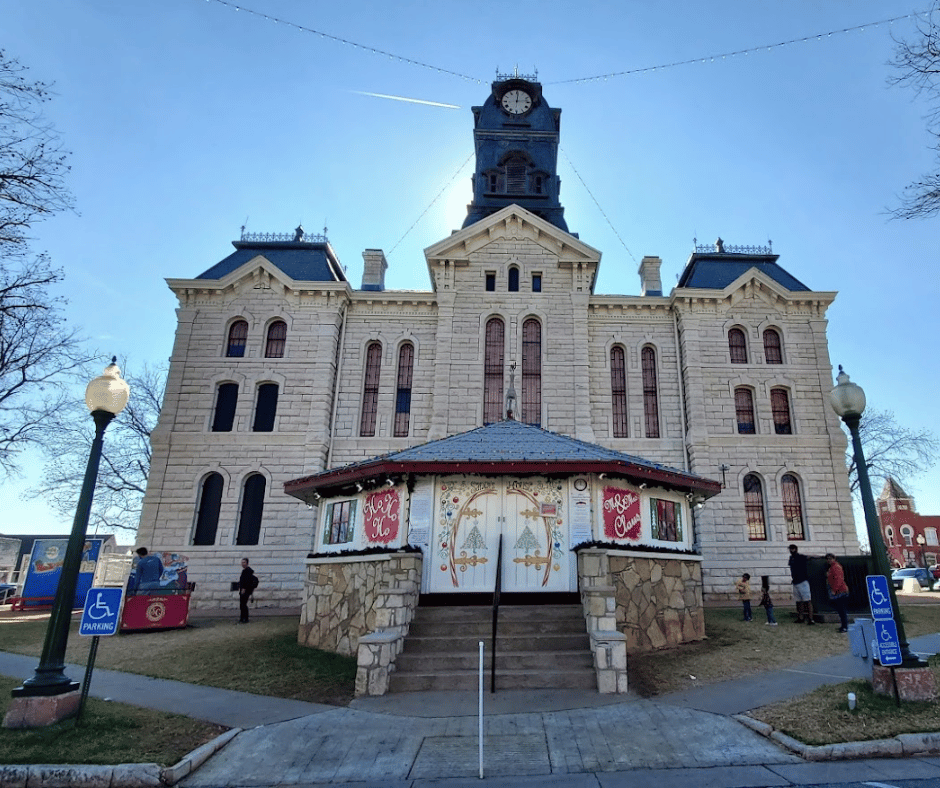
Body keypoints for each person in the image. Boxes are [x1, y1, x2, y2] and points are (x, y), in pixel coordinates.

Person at [788, 544, 815, 624]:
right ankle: (800, 617)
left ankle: (810, 619)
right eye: (790, 549)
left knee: (807, 600)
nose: (791, 550)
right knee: (798, 601)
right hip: (795, 581)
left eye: (792, 549)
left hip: (803, 581)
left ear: (796, 549)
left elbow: (809, 557)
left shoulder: (800, 557)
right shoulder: (791, 558)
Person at [825, 553, 850, 633]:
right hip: (839, 590)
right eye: (827, 559)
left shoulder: (836, 567)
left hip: (840, 591)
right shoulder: (833, 567)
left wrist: (834, 590)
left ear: (834, 558)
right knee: (840, 610)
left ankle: (845, 626)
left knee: (842, 610)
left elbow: (838, 579)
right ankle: (843, 625)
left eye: (830, 558)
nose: (829, 560)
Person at [238, 558, 258, 623]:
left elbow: (247, 581)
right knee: (242, 604)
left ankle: (245, 619)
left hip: (245, 590)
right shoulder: (245, 571)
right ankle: (242, 618)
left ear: (247, 563)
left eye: (244, 562)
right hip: (244, 590)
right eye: (242, 562)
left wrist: (244, 588)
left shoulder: (247, 571)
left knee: (243, 604)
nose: (242, 564)